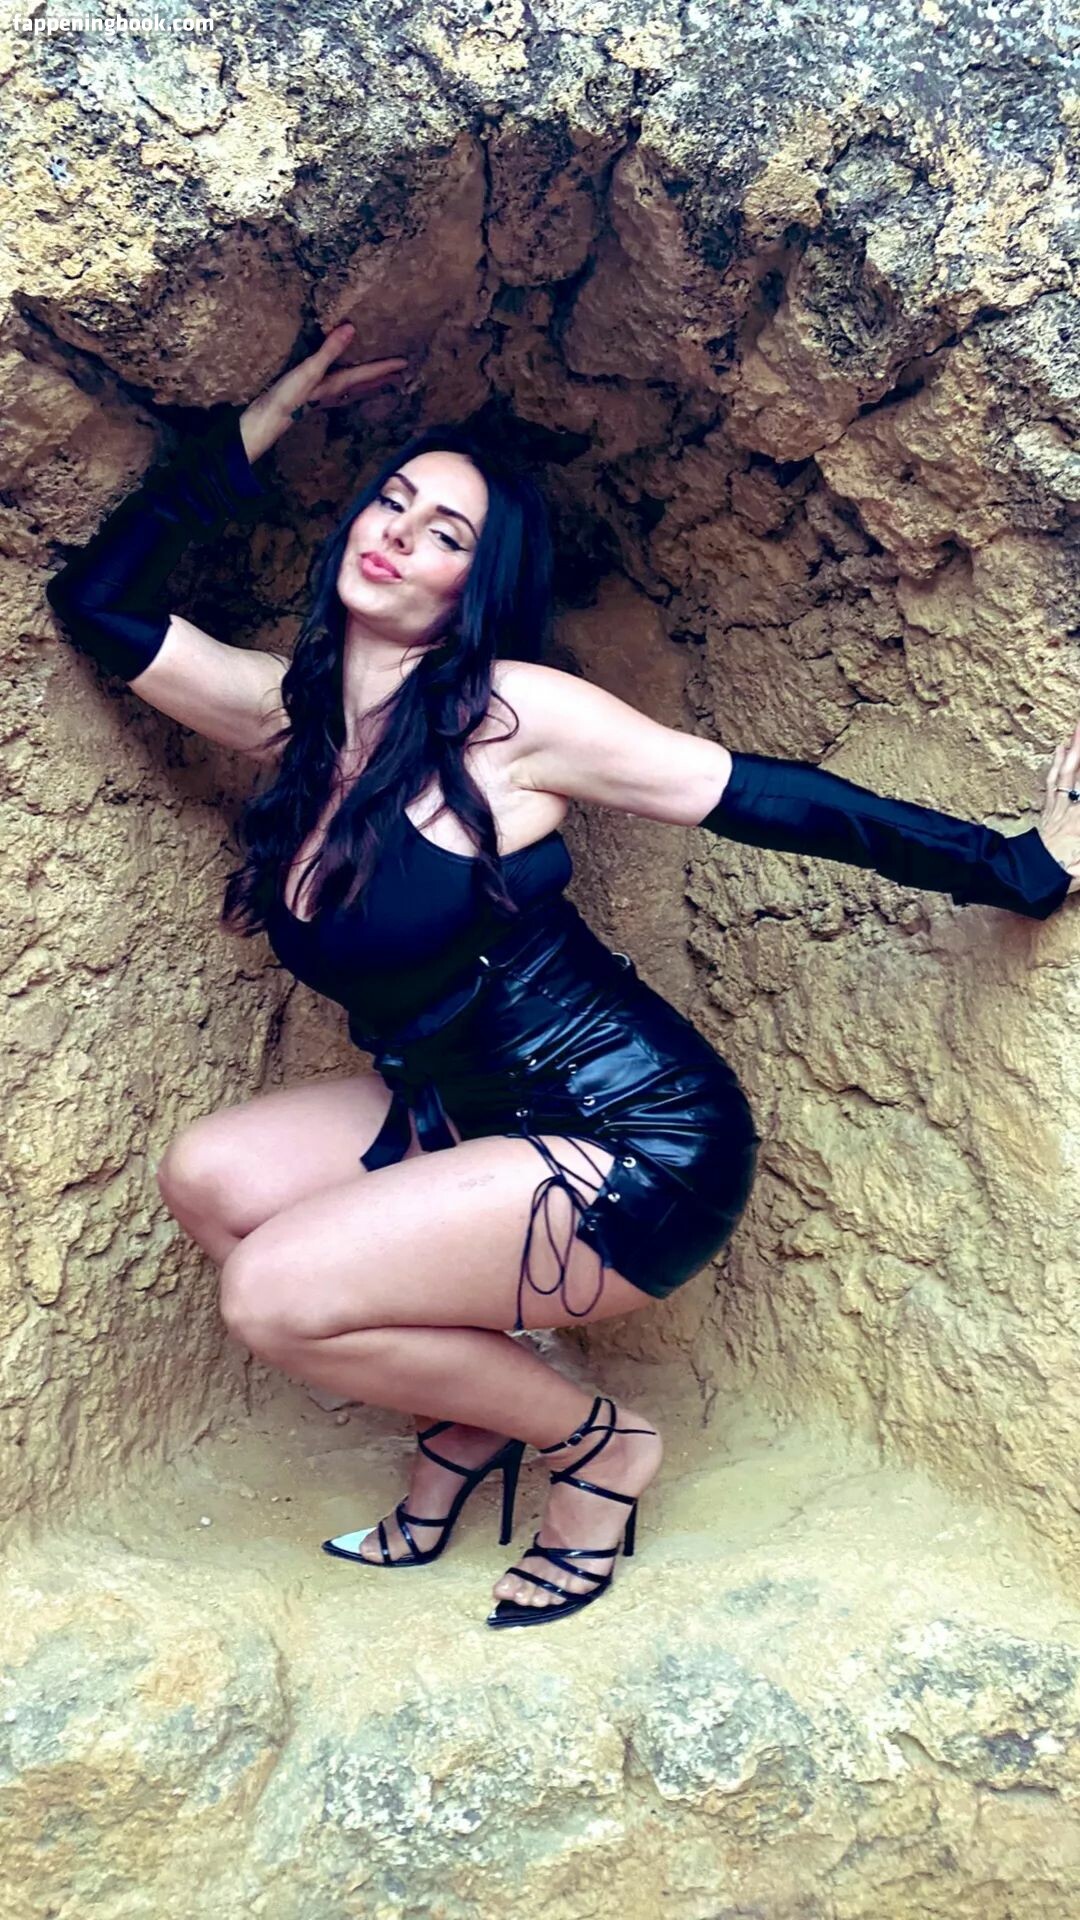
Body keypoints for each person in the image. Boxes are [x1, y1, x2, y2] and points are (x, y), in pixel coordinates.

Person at [45, 322, 1080, 1632]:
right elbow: (99, 603)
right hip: (468, 1113)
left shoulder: (511, 717)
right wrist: (260, 428)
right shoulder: (290, 717)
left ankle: (598, 1446)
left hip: (639, 1141)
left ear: (475, 587)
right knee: (209, 1180)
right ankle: (472, 1417)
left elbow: (766, 797)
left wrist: (1016, 866)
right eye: (390, 502)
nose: (397, 535)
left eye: (444, 534)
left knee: (271, 1297)